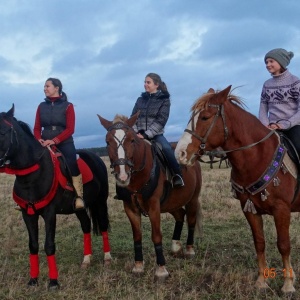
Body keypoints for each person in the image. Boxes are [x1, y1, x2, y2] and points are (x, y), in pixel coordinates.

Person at [33, 78, 85, 210]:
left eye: (47, 86)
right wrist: (39, 139)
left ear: (56, 88)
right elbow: (37, 127)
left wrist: (55, 140)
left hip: (64, 142)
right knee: (30, 162)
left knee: (71, 162)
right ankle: (30, 196)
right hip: (44, 142)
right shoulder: (41, 106)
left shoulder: (68, 106)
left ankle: (79, 196)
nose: (44, 88)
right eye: (44, 86)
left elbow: (70, 129)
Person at [131, 72, 184, 187]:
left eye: (148, 82)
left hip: (155, 135)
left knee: (166, 148)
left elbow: (161, 120)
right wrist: (135, 132)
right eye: (144, 82)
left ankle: (177, 175)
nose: (145, 84)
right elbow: (133, 117)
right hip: (137, 134)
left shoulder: (164, 100)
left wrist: (146, 135)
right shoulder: (140, 99)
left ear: (156, 85)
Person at [259, 48, 300, 157]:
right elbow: (263, 109)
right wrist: (266, 125)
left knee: (299, 147)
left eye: (271, 61)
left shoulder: (295, 82)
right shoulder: (266, 85)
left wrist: (284, 124)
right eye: (266, 62)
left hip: (293, 126)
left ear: (281, 62)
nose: (268, 64)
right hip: (271, 127)